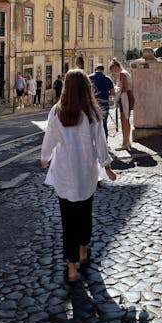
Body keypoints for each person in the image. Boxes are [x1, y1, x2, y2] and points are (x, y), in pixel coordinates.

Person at [41, 69, 116, 284]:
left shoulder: (57, 111)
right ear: (86, 88)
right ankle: (83, 252)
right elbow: (100, 143)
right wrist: (107, 166)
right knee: (85, 213)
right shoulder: (92, 111)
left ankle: (71, 268)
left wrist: (44, 158)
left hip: (65, 172)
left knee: (68, 220)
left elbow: (50, 138)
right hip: (86, 172)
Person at [109, 58, 135, 149]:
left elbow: (124, 88)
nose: (112, 71)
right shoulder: (123, 73)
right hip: (125, 96)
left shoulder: (122, 74)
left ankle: (125, 143)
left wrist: (116, 92)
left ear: (116, 67)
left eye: (112, 69)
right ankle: (127, 141)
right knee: (126, 120)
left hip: (125, 97)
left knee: (124, 120)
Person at [88, 64, 115, 138]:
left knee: (92, 123)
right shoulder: (108, 79)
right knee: (104, 123)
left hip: (92, 104)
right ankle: (104, 141)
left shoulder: (88, 78)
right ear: (103, 70)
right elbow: (113, 94)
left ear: (95, 69)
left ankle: (92, 141)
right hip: (104, 105)